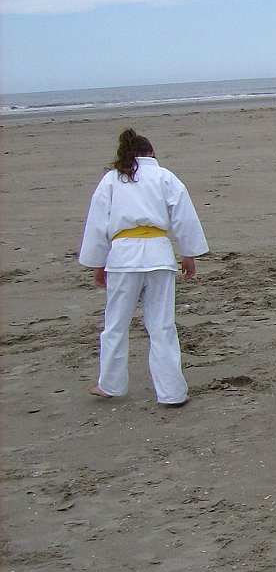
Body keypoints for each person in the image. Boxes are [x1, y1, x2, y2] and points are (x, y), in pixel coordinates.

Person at [79, 128, 208, 406]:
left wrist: (97, 263)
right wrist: (188, 254)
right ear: (151, 153)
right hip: (159, 255)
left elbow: (98, 223)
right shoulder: (165, 177)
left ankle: (110, 384)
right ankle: (172, 392)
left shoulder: (112, 180)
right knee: (162, 326)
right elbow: (184, 217)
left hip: (123, 257)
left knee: (116, 324)